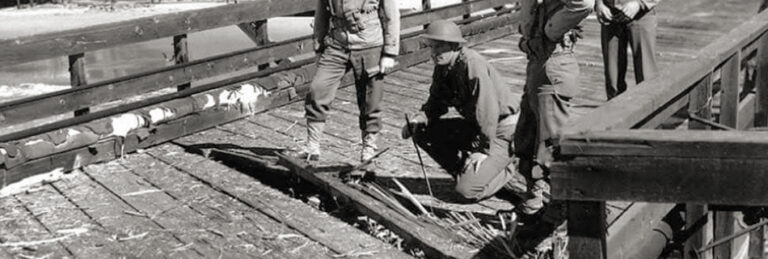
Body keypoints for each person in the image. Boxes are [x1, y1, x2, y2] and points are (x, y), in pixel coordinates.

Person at [400, 20, 525, 202]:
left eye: (439, 47)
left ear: (454, 45)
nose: (433, 52)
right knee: (422, 132)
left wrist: (483, 150)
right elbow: (437, 101)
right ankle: (469, 172)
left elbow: (487, 110)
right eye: (431, 47)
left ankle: (512, 166)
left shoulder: (472, 64)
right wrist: (419, 118)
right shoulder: (444, 66)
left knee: (467, 192)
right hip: (478, 127)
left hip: (502, 131)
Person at [514, 0, 593, 256]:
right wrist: (529, 35)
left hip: (554, 61)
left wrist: (550, 30)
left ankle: (557, 222)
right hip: (537, 60)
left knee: (551, 152)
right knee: (527, 138)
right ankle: (536, 205)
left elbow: (583, 3)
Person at [299, 0, 400, 161]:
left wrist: (390, 52)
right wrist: (318, 47)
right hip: (336, 44)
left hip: (370, 44)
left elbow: (391, 16)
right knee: (318, 89)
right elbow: (321, 14)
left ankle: (369, 147)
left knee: (370, 99)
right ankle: (312, 146)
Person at [595, 0, 661, 99]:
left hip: (641, 15)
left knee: (646, 73)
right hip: (610, 14)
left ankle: (648, 105)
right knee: (613, 76)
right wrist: (599, 4)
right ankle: (615, 106)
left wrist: (639, 3)